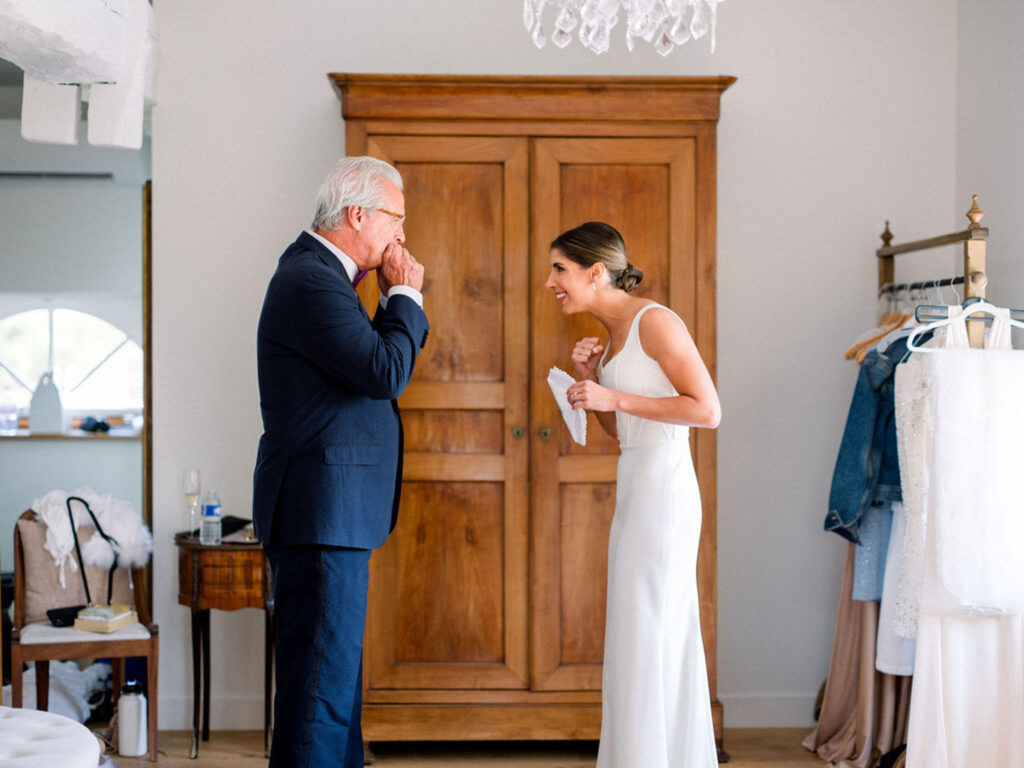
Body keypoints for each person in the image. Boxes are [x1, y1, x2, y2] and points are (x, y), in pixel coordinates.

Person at [252, 156, 429, 768]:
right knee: (318, 700)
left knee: (333, 695)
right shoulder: (310, 279)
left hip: (332, 514)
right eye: (396, 219)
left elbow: (363, 366)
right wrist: (406, 294)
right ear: (358, 214)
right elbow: (385, 371)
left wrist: (389, 300)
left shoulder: (325, 276)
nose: (402, 235)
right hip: (319, 514)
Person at [545, 221, 721, 768]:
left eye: (559, 269)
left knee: (654, 632)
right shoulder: (615, 337)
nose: (551, 282)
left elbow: (707, 411)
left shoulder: (657, 322)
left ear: (595, 272)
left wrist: (613, 395)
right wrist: (593, 381)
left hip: (664, 495)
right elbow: (622, 434)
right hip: (636, 490)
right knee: (634, 633)